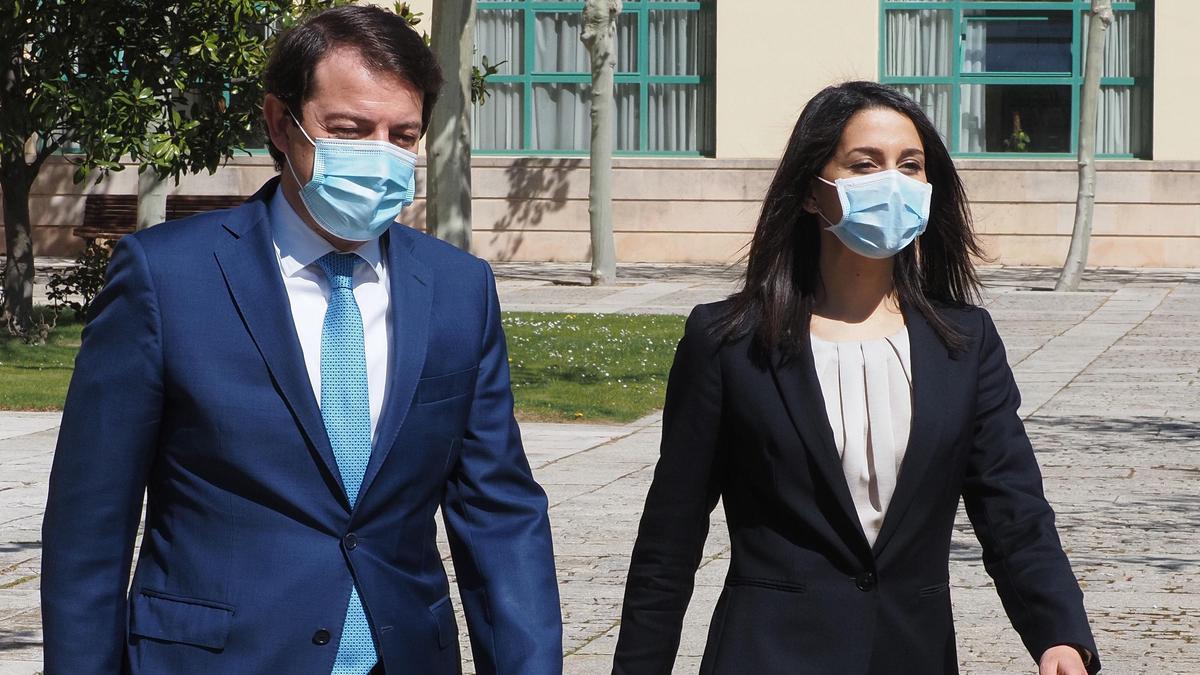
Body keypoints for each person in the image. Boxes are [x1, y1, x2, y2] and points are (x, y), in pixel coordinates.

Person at [40, 6, 561, 674]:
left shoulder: (458, 290)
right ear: (280, 123)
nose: (380, 154)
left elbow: (499, 513)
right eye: (349, 130)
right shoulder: (167, 279)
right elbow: (91, 521)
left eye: (402, 135)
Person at [612, 81, 1099, 675]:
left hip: (911, 655)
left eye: (910, 166)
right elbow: (670, 539)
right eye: (865, 165)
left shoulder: (965, 344)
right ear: (813, 192)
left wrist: (1060, 636)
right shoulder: (729, 343)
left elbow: (1014, 511)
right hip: (767, 655)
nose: (891, 182)